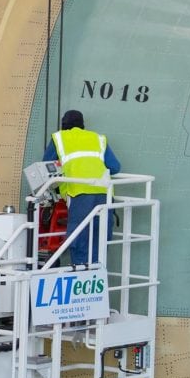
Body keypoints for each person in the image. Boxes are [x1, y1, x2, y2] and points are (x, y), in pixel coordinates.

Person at [42, 109, 122, 268]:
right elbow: (115, 167)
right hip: (103, 194)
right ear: (83, 125)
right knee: (99, 238)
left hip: (79, 193)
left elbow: (45, 166)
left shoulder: (59, 138)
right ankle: (97, 275)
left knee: (78, 238)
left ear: (63, 125)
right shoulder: (98, 139)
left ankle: (81, 276)